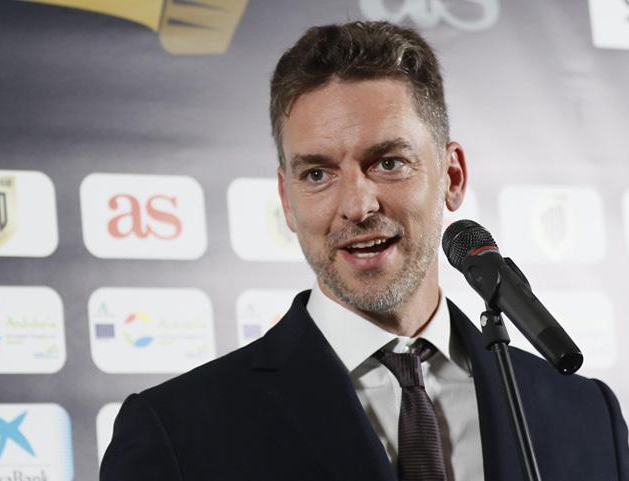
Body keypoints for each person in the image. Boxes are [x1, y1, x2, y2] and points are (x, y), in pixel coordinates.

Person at [100, 21, 629, 481]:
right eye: (317, 174)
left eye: (388, 163)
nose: (356, 205)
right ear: (286, 199)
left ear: (452, 176)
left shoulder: (587, 415)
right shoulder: (176, 431)